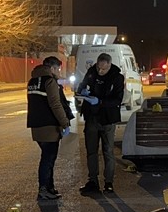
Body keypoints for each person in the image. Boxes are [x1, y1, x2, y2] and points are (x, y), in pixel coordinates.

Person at [75, 52, 126, 195]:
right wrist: (82, 91)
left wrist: (101, 102)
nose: (101, 71)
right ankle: (93, 181)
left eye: (104, 69)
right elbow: (82, 86)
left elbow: (118, 99)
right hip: (91, 117)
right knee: (91, 151)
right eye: (99, 68)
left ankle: (108, 182)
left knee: (108, 152)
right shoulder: (92, 72)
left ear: (110, 65)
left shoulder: (117, 77)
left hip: (108, 119)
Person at [27, 55, 71, 200]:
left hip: (36, 125)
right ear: (52, 68)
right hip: (49, 126)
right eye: (58, 68)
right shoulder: (50, 81)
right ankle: (44, 189)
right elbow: (55, 104)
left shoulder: (33, 81)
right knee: (48, 159)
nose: (59, 71)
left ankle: (49, 188)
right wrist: (64, 123)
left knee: (47, 157)